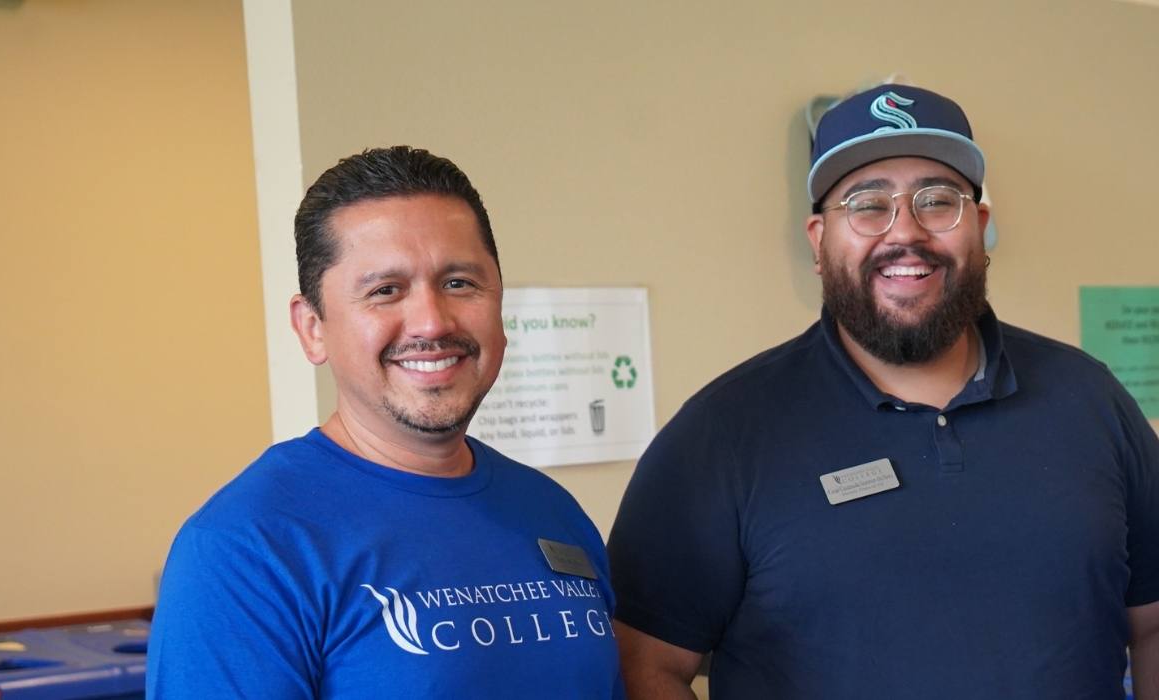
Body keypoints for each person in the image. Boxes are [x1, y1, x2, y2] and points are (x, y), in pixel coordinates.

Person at [607, 84, 1159, 699]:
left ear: (978, 226)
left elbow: (1155, 623)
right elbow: (642, 664)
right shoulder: (721, 435)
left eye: (937, 201)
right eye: (867, 204)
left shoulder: (1091, 401)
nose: (906, 233)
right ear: (819, 240)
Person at [148, 147, 624, 699]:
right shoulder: (246, 550)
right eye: (385, 291)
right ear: (312, 329)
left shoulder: (551, 510)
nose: (431, 321)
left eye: (459, 283)